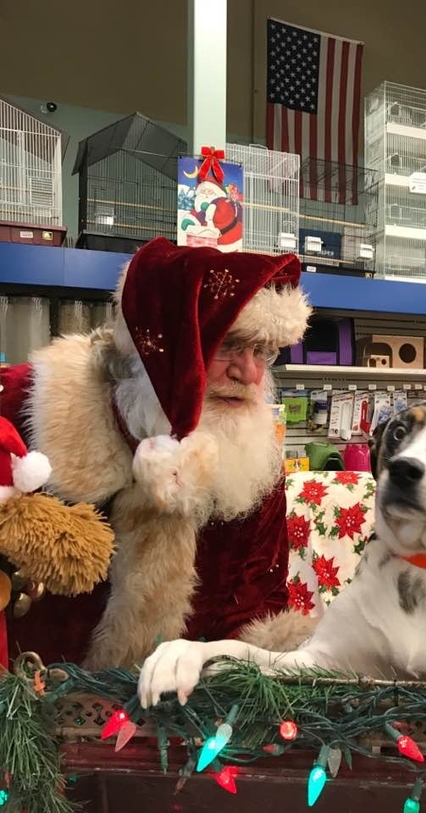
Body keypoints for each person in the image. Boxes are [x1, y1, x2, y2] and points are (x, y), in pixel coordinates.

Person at [0, 236, 312, 670]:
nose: (251, 373)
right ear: (163, 344)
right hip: (33, 700)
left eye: (264, 351)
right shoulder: (24, 406)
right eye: (228, 345)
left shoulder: (254, 462)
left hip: (191, 711)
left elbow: (259, 604)